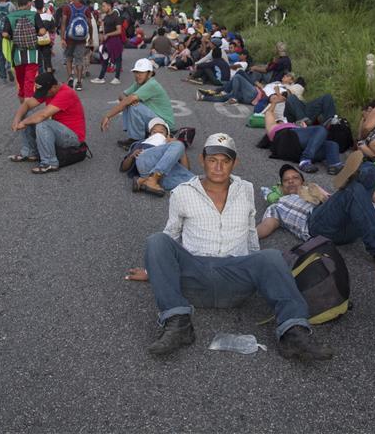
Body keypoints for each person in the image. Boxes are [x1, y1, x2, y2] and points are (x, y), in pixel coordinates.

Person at [125, 133, 333, 360]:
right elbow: (171, 235)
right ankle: (178, 323)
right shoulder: (182, 192)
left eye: (225, 161)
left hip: (236, 281)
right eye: (212, 160)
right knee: (157, 240)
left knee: (271, 257)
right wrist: (154, 271)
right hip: (195, 280)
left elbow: (251, 233)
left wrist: (264, 272)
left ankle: (293, 333)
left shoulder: (246, 189)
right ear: (202, 160)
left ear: (235, 163)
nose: (218, 167)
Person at [256, 154, 375, 262]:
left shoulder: (312, 190)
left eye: (295, 178)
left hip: (349, 226)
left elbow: (333, 202)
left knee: (372, 170)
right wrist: (246, 235)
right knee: (352, 189)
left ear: (303, 182)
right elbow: (267, 225)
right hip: (316, 225)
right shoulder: (278, 205)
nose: (291, 181)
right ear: (281, 187)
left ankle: (354, 176)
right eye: (286, 180)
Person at [9, 72, 87, 174]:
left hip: (73, 138)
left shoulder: (66, 93)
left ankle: (50, 163)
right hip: (60, 132)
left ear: (54, 87)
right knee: (26, 114)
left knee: (43, 124)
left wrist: (23, 123)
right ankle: (30, 153)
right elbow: (27, 104)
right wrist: (17, 119)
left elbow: (43, 115)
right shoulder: (49, 90)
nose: (44, 95)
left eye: (45, 92)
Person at [101, 58, 175, 149]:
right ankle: (142, 134)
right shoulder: (139, 83)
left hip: (165, 124)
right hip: (155, 119)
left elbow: (128, 100)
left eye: (141, 72)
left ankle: (136, 140)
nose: (137, 75)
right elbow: (121, 95)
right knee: (128, 102)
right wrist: (128, 100)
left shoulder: (151, 84)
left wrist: (108, 116)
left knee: (133, 106)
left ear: (150, 74)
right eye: (136, 72)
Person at [264, 93, 344, 175]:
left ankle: (334, 165)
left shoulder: (292, 119)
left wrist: (301, 127)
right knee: (320, 129)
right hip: (289, 140)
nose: (276, 98)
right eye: (273, 98)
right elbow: (268, 112)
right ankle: (305, 159)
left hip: (302, 145)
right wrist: (274, 102)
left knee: (332, 145)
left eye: (276, 96)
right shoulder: (274, 127)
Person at [120, 117, 195, 196]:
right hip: (146, 159)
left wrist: (181, 150)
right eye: (154, 132)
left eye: (161, 132)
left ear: (167, 135)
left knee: (194, 182)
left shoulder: (171, 148)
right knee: (179, 144)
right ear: (149, 135)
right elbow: (123, 168)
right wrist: (131, 156)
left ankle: (146, 181)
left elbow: (186, 169)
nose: (157, 134)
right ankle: (153, 179)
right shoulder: (141, 143)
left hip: (163, 174)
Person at [1, 0, 45, 102]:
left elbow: (5, 34)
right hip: (33, 54)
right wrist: (35, 34)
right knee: (30, 80)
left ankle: (22, 99)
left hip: (17, 54)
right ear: (29, 3)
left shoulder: (10, 16)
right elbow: (42, 31)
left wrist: (13, 36)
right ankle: (27, 102)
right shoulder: (34, 15)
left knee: (21, 80)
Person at [60, 0, 92, 91]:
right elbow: (90, 24)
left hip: (69, 38)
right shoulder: (86, 9)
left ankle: (70, 77)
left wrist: (62, 38)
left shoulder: (67, 8)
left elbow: (63, 23)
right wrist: (91, 37)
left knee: (69, 58)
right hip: (81, 39)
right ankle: (79, 82)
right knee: (79, 60)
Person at [90, 0, 124, 85]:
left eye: (104, 6)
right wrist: (102, 34)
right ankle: (101, 77)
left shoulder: (116, 16)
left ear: (109, 6)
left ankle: (117, 78)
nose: (102, 8)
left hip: (115, 40)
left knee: (118, 59)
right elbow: (103, 29)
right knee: (104, 59)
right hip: (107, 41)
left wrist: (108, 35)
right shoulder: (105, 17)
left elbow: (119, 31)